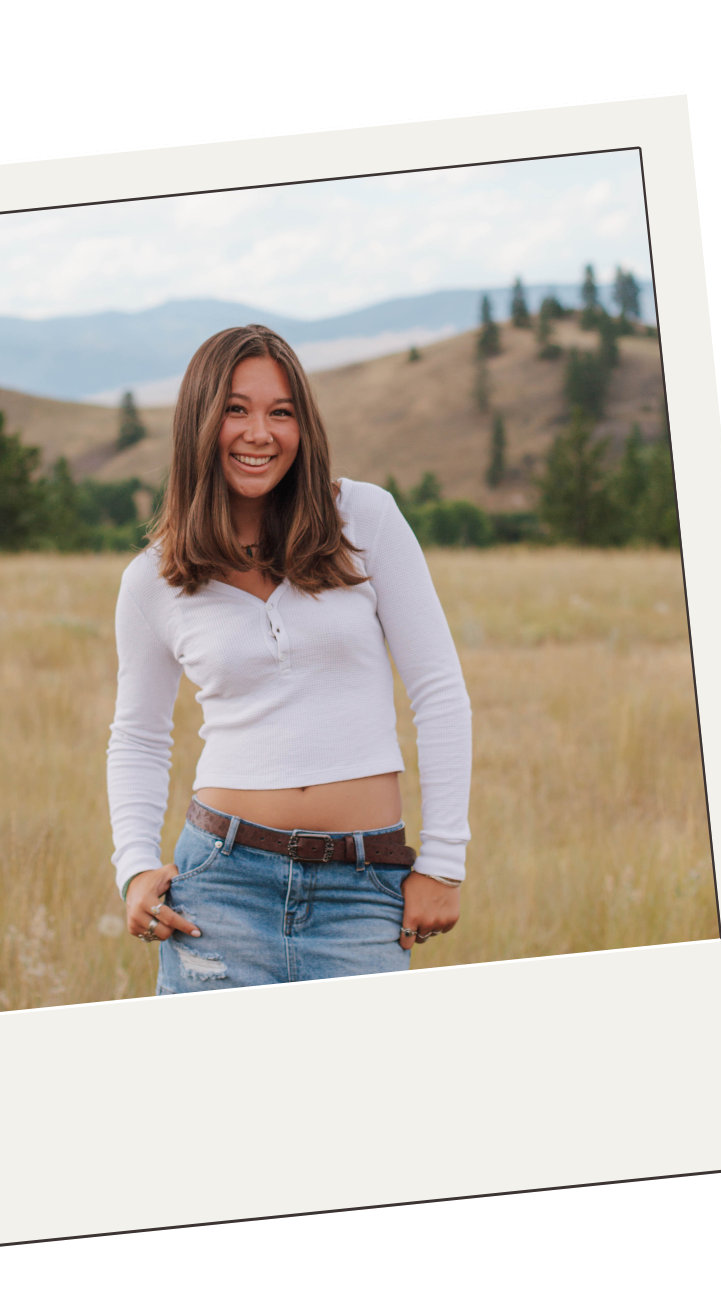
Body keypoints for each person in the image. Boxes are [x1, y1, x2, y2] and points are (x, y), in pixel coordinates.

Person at [106, 325, 471, 994]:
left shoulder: (364, 518)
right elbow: (137, 735)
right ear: (199, 422)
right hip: (218, 888)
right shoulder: (151, 579)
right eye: (236, 409)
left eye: (281, 412)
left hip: (363, 891)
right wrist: (133, 865)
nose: (259, 433)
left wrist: (443, 862)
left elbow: (439, 690)